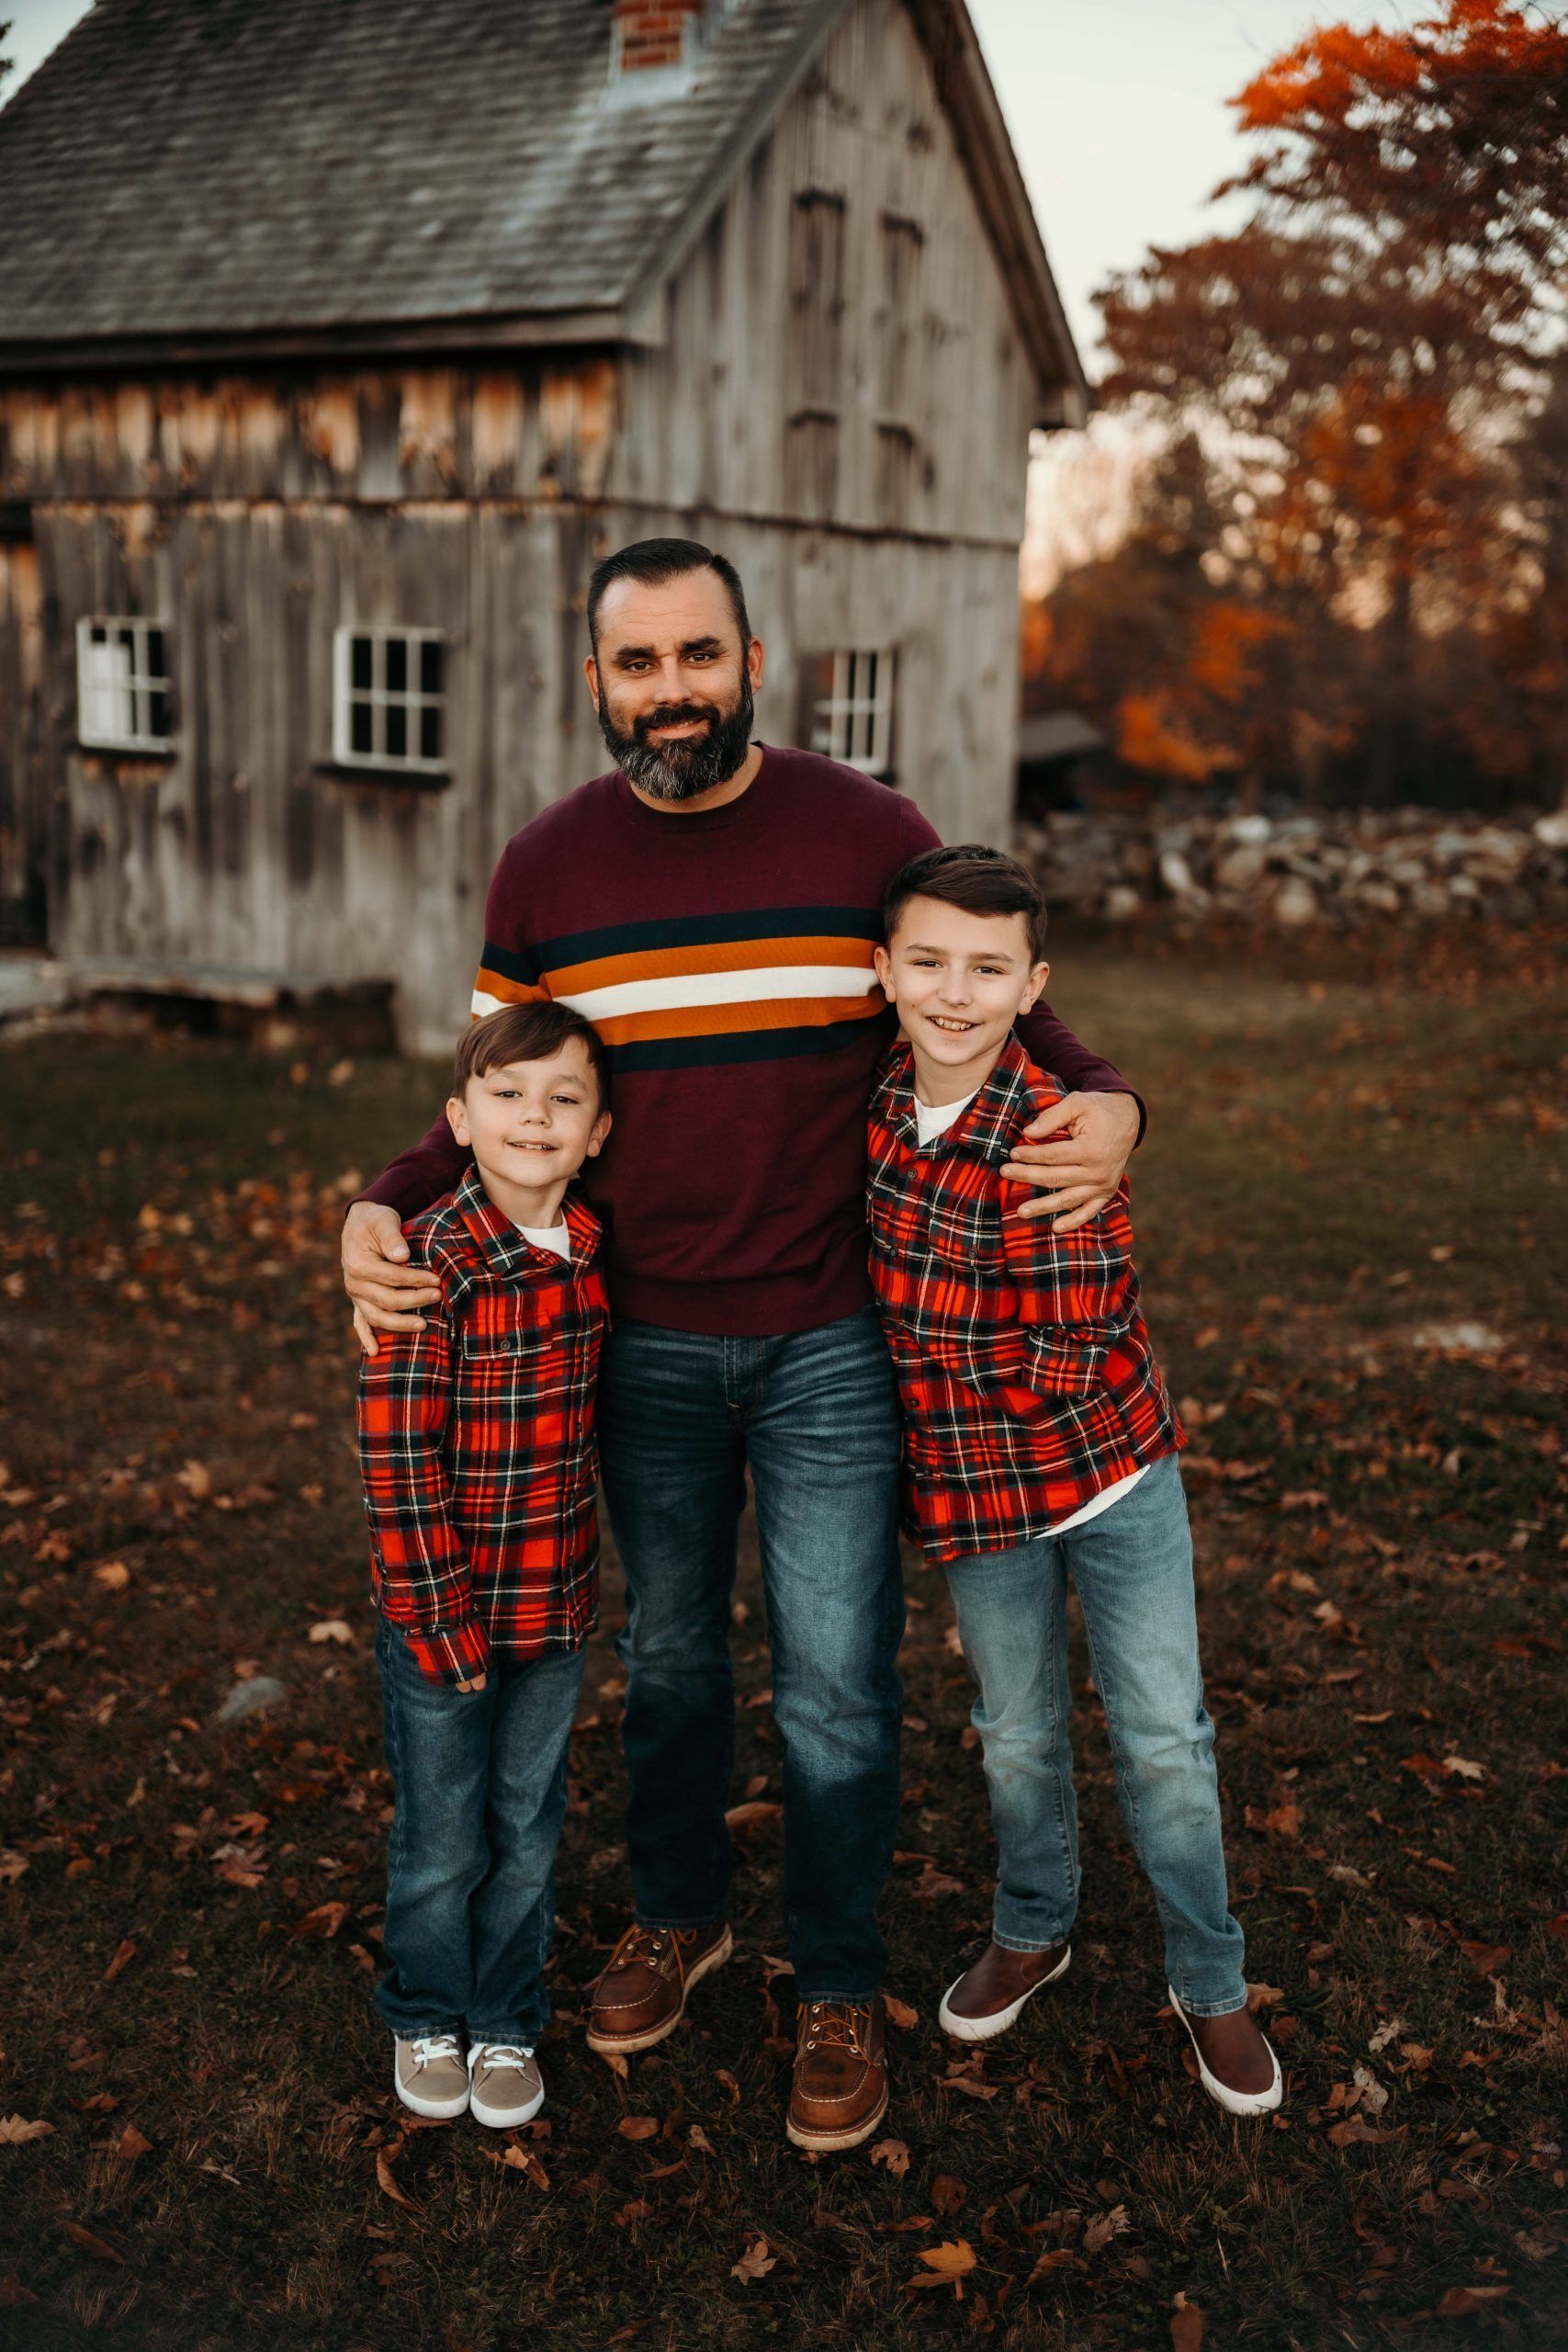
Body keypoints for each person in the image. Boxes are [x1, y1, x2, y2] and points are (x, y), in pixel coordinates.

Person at [342, 537, 1144, 2153]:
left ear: (752, 663)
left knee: (837, 1684)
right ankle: (678, 1914)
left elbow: (989, 996)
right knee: (671, 1661)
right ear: (595, 680)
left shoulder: (868, 832)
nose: (672, 691)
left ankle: (835, 1980)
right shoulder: (545, 868)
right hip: (638, 1338)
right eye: (637, 664)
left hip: (832, 1333)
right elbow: (496, 1081)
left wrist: (1107, 1094)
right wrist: (386, 1195)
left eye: (697, 656)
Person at [867, 843, 1281, 2116]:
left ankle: (1209, 1980)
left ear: (1031, 984)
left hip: (1105, 1475)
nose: (955, 993)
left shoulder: (1055, 1130)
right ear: (881, 971)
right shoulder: (872, 1107)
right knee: (1014, 1732)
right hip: (976, 1499)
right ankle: (1033, 1924)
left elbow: (1067, 1348)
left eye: (988, 970)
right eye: (928, 963)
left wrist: (923, 1371)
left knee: (1161, 1737)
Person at [356, 1001, 612, 2128]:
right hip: (444, 1618)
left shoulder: (591, 1253)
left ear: (598, 1133)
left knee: (527, 1826)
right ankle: (426, 2008)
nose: (535, 1116)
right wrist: (441, 1628)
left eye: (564, 1098)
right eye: (508, 1095)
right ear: (459, 1119)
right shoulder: (429, 1265)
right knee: (442, 1833)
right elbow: (399, 1466)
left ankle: (506, 2018)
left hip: (552, 1610)